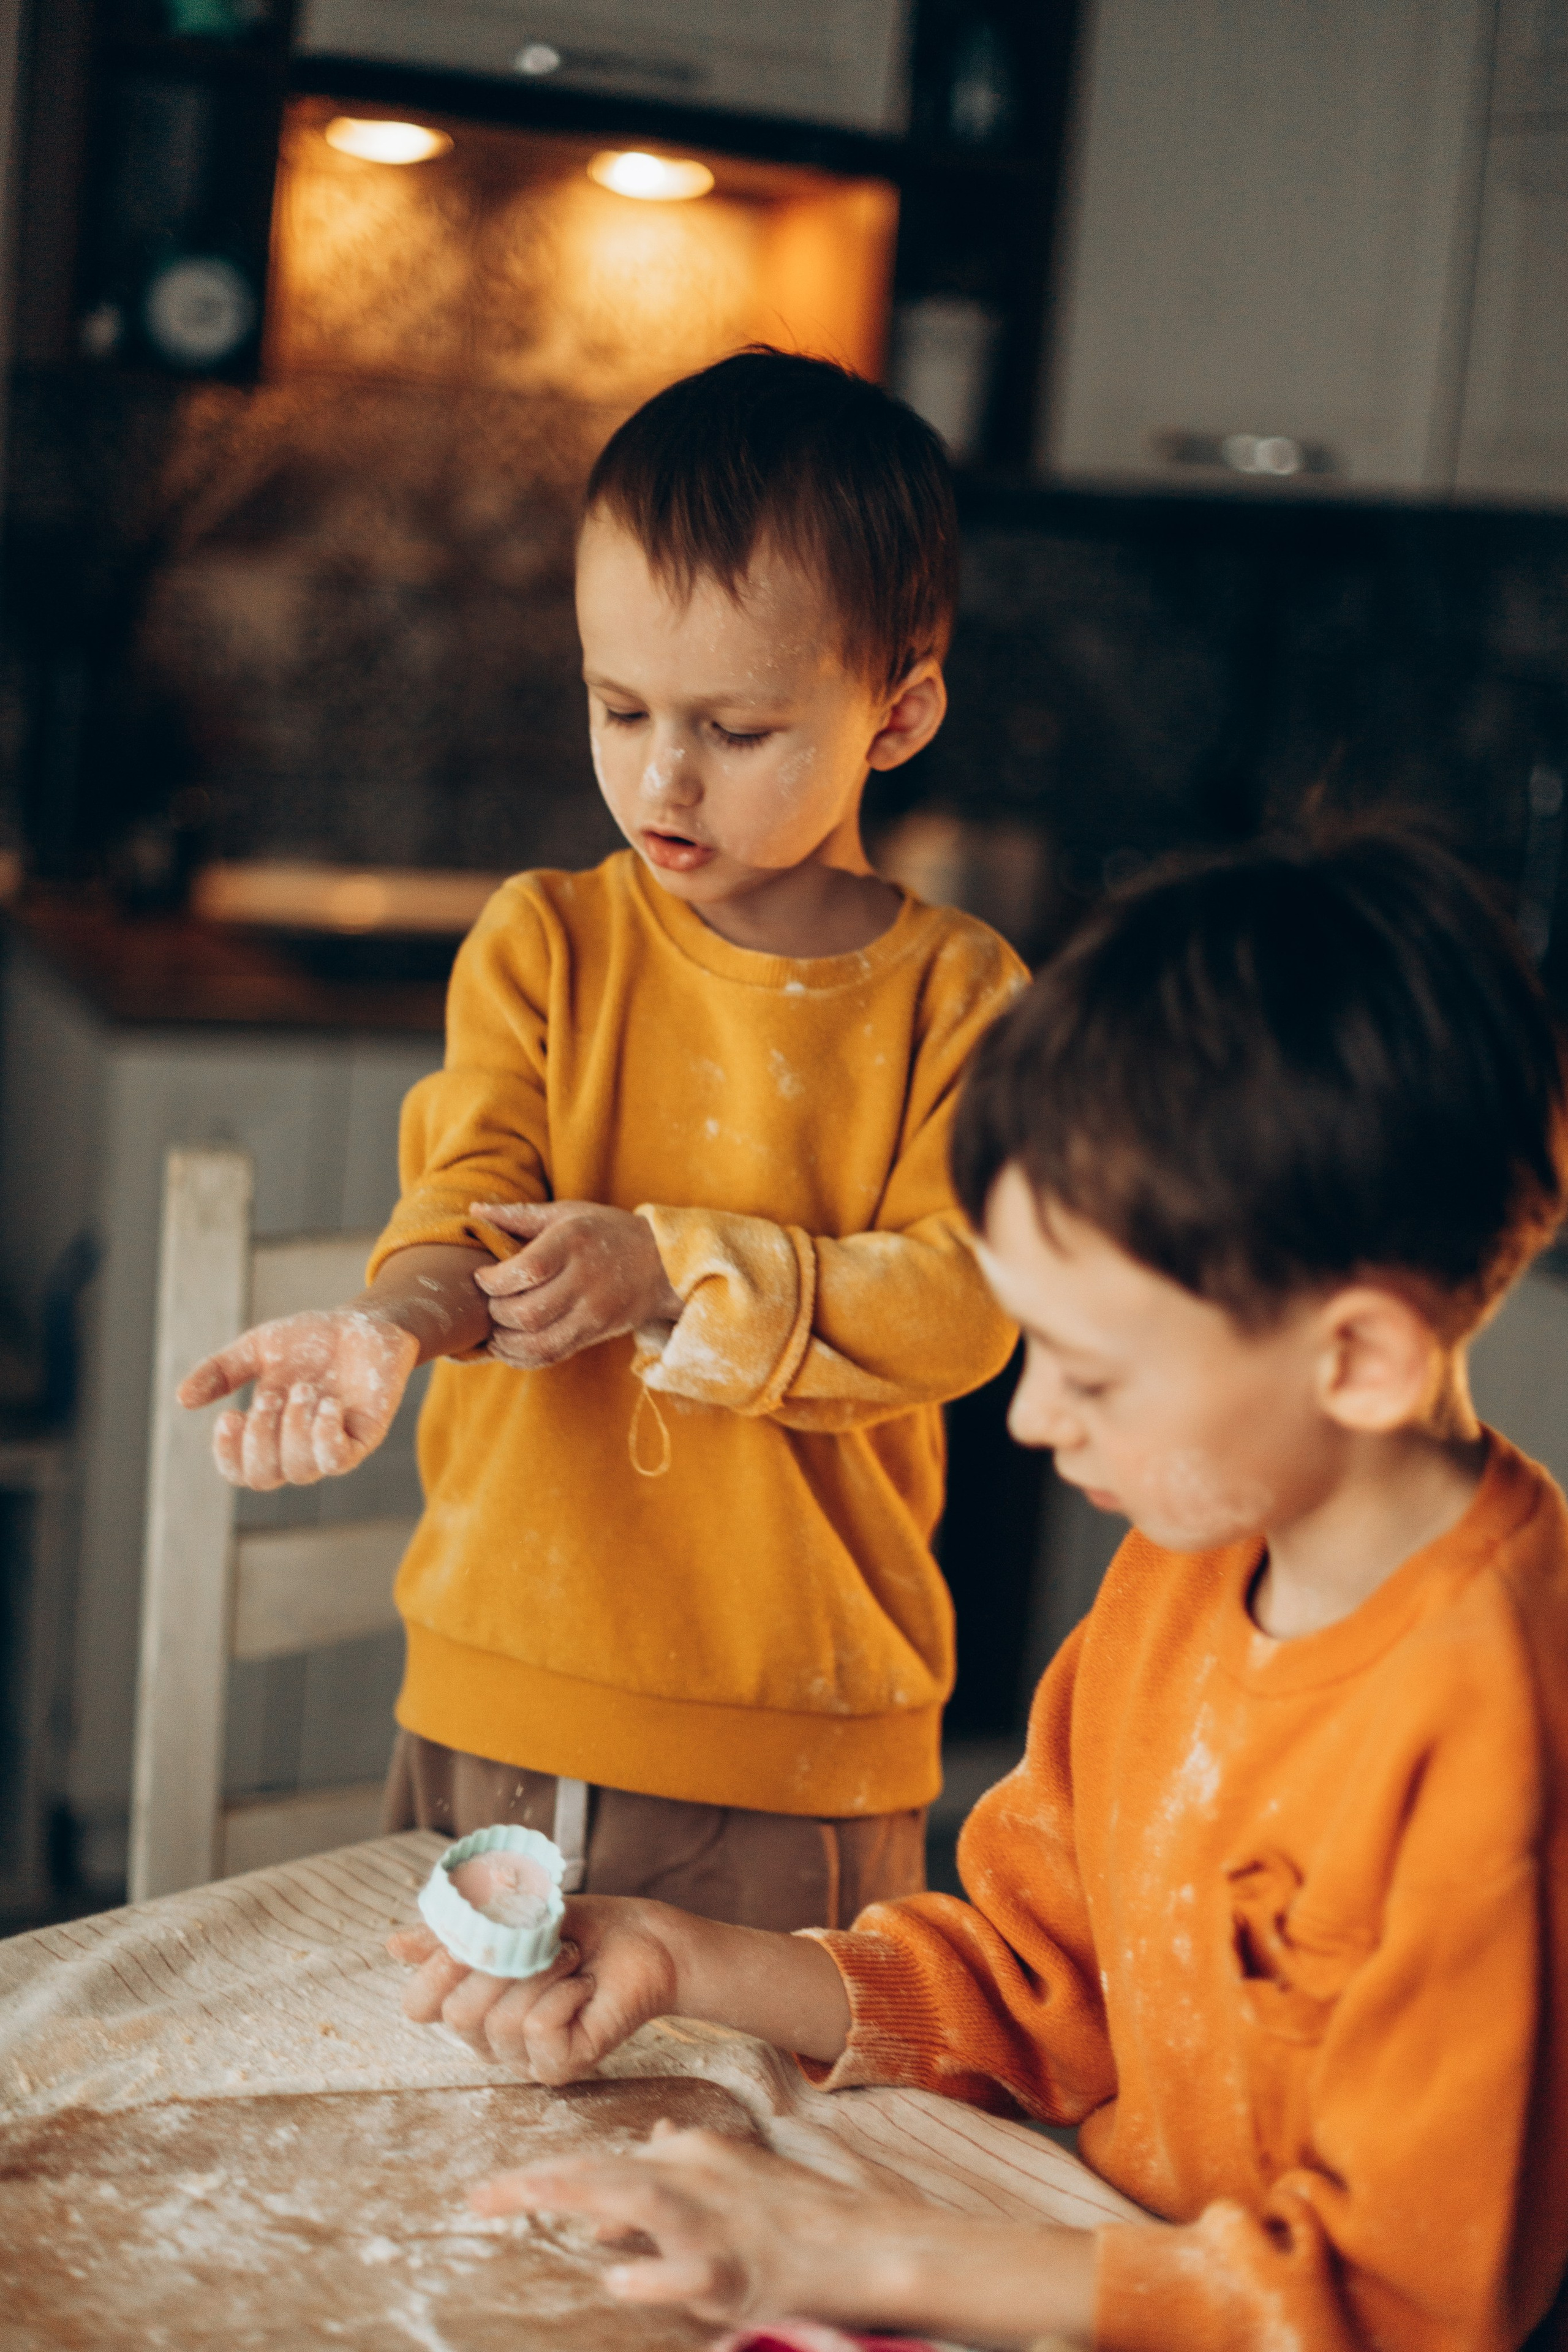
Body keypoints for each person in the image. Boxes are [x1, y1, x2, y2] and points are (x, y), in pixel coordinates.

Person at [391, 831, 1568, 2351]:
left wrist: (861, 2258)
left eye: (1090, 1372)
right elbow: (1030, 1985)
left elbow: (1388, 2307)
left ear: (1356, 1359)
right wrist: (689, 1960)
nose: (1029, 1418)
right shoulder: (1195, 1555)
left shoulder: (1495, 1725)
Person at [176, 349, 1025, 1931]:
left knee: (744, 2094)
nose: (660, 776)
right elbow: (468, 1198)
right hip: (494, 1701)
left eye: (737, 728)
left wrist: (664, 1271)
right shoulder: (544, 944)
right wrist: (393, 1323)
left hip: (794, 1747)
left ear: (897, 713)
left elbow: (964, 1308)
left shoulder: (960, 999)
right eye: (619, 707)